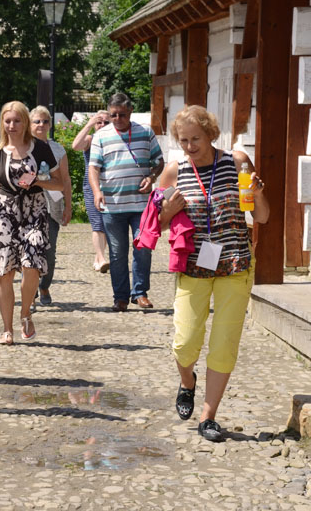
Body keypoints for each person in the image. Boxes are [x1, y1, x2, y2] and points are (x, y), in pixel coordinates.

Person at [158, 105, 268, 442]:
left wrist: (259, 194)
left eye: (196, 139)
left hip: (234, 263)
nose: (190, 146)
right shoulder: (174, 171)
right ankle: (187, 382)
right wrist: (167, 211)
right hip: (194, 265)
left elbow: (261, 217)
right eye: (184, 140)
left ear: (210, 134)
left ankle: (208, 417)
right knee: (185, 340)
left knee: (224, 342)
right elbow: (157, 224)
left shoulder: (235, 163)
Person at [0, 101, 62, 345]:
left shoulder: (40, 148)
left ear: (25, 122)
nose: (12, 125)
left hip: (35, 210)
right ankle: (7, 329)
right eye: (7, 121)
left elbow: (59, 183)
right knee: (5, 272)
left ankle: (25, 311)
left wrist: (38, 181)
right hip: (6, 214)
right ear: (2, 123)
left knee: (32, 265)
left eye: (17, 120)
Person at [89, 93, 164, 312]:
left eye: (122, 114)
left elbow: (159, 161)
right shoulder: (101, 136)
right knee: (117, 252)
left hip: (141, 205)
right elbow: (93, 167)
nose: (118, 119)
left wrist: (151, 177)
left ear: (130, 112)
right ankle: (120, 296)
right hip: (112, 205)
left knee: (143, 249)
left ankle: (140, 293)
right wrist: (96, 192)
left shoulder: (145, 132)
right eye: (113, 115)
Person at [30, 106, 72, 306]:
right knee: (29, 251)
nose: (41, 125)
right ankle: (29, 291)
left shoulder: (57, 149)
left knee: (49, 252)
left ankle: (44, 284)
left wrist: (69, 206)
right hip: (28, 207)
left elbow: (65, 180)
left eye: (45, 121)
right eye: (37, 121)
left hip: (52, 205)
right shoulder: (23, 147)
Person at [72, 111, 111, 272]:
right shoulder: (90, 139)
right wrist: (89, 124)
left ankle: (98, 257)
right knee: (97, 224)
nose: (102, 125)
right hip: (91, 187)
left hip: (110, 187)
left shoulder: (114, 140)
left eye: (106, 123)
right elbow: (75, 145)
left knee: (108, 225)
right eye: (99, 122)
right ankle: (102, 259)